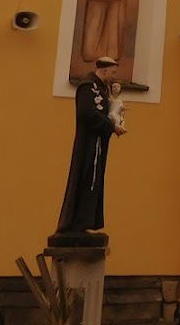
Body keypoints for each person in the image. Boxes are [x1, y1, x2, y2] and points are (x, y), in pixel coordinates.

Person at [56, 55, 127, 234]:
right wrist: (112, 126)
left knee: (94, 180)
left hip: (97, 144)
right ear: (103, 70)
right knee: (87, 178)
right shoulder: (88, 87)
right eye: (112, 73)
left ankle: (86, 222)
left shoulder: (103, 88)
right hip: (88, 145)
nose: (113, 77)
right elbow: (87, 114)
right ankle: (77, 223)